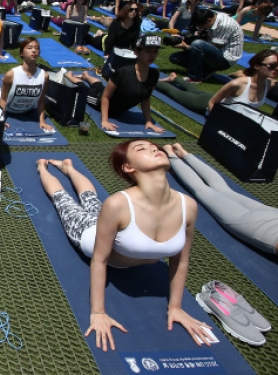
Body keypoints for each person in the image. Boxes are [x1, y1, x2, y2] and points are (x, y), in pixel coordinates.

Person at [36, 140, 208, 352]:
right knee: (63, 200)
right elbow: (100, 259)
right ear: (128, 167)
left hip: (116, 225)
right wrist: (98, 312)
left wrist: (176, 307)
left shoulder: (188, 206)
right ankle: (42, 167)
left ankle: (69, 168)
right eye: (141, 149)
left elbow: (181, 259)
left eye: (154, 147)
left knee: (90, 199)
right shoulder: (118, 204)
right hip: (89, 233)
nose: (154, 149)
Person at [164, 143, 278, 255]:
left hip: (272, 217)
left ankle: (183, 153)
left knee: (223, 190)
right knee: (202, 190)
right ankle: (171, 153)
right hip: (262, 229)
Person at [66, 35, 164, 133]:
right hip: (98, 101)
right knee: (84, 89)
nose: (152, 55)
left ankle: (86, 76)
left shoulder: (154, 74)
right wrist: (105, 120)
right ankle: (70, 76)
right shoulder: (124, 73)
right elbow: (105, 97)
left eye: (155, 51)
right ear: (136, 52)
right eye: (148, 51)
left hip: (114, 104)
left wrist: (148, 121)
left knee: (99, 86)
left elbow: (146, 98)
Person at [156, 49, 278, 115]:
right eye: (272, 66)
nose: (276, 69)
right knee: (172, 92)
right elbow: (211, 103)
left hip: (218, 100)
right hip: (206, 103)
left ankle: (174, 78)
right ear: (257, 66)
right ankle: (148, 79)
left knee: (195, 90)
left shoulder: (269, 84)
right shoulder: (239, 84)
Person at [0, 38, 51, 130]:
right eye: (30, 48)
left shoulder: (44, 76)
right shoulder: (11, 74)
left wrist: (42, 122)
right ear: (21, 53)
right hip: (7, 107)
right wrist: (1, 120)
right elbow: (3, 99)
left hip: (27, 109)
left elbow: (41, 100)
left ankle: (7, 84)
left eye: (37, 48)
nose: (34, 50)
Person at [169, 8, 244, 83]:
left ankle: (195, 78)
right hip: (215, 52)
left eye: (201, 26)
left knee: (197, 44)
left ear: (209, 20)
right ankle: (206, 70)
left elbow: (216, 47)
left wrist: (187, 47)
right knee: (174, 58)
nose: (201, 28)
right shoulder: (214, 19)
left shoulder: (224, 25)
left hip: (226, 59)